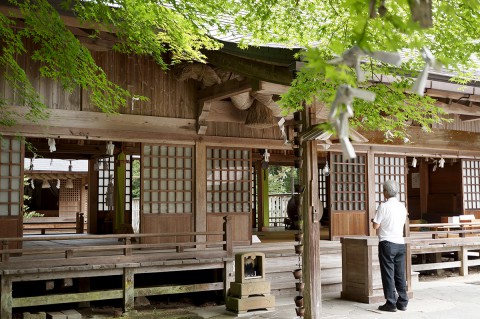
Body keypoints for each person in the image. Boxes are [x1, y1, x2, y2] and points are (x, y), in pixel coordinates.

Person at [371, 180, 408, 312]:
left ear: (386, 192)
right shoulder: (402, 207)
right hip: (400, 243)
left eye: (383, 190)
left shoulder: (383, 207)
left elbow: (375, 225)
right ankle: (403, 301)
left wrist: (374, 221)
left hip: (387, 243)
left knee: (388, 274)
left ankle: (391, 303)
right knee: (400, 273)